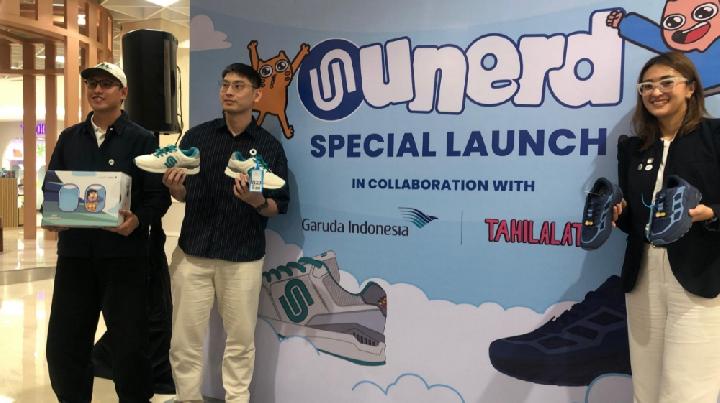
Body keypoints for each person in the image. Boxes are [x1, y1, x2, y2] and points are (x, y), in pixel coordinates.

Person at [162, 62, 289, 403]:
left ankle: (236, 399)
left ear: (257, 95)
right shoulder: (196, 137)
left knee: (240, 342)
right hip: (193, 254)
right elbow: (184, 193)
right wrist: (174, 189)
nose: (228, 92)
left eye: (238, 86)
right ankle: (188, 398)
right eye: (225, 85)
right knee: (184, 340)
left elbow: (279, 205)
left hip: (242, 257)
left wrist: (256, 200)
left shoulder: (269, 146)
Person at [44, 62, 171, 402]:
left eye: (106, 84)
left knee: (130, 349)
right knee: (64, 347)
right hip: (75, 258)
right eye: (92, 84)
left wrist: (137, 220)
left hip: (125, 259)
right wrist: (53, 213)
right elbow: (52, 188)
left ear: (123, 92)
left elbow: (157, 197)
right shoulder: (70, 138)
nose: (97, 90)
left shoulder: (142, 139)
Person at [613, 51, 720, 403]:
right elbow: (633, 220)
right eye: (646, 86)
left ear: (690, 88)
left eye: (666, 82)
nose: (655, 92)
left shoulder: (715, 136)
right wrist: (618, 214)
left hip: (700, 272)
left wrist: (712, 213)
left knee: (688, 388)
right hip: (643, 272)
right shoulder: (633, 148)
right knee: (645, 384)